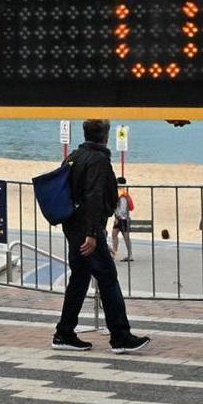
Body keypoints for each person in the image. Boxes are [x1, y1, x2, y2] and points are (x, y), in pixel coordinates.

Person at [51, 119, 148, 354]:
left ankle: (64, 332)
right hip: (88, 231)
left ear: (86, 134)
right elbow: (95, 198)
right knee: (108, 279)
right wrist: (93, 234)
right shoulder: (99, 161)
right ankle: (120, 336)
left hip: (73, 227)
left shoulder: (74, 156)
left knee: (80, 278)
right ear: (105, 136)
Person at [112, 178, 135, 260]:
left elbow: (122, 209)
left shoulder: (123, 196)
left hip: (123, 219)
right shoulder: (121, 194)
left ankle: (130, 255)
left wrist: (117, 217)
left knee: (126, 237)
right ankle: (114, 252)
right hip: (119, 219)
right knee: (114, 234)